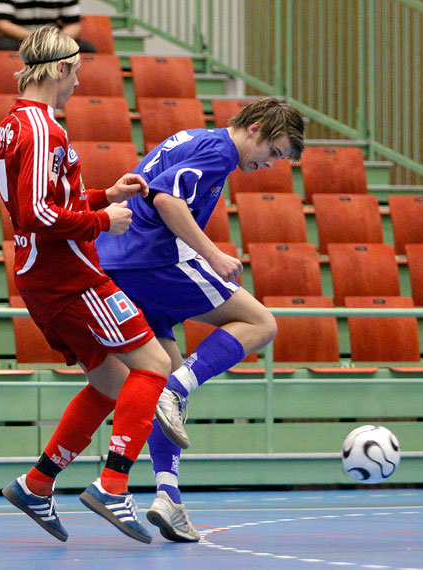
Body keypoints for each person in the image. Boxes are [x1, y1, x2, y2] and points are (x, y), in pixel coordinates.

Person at [95, 96, 305, 542]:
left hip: (119, 261)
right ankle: (177, 389)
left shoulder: (194, 138)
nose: (271, 164)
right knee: (261, 323)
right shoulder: (219, 152)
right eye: (274, 152)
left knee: (162, 377)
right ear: (256, 130)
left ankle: (167, 496)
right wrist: (213, 254)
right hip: (149, 258)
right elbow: (169, 201)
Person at [0, 25, 171, 544]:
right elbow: (36, 213)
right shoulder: (43, 129)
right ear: (60, 69)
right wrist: (104, 221)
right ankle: (113, 486)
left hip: (44, 277)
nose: (77, 84)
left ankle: (36, 484)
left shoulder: (14, 123)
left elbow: (48, 201)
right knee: (155, 364)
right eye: (76, 73)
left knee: (111, 385)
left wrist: (100, 194)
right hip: (68, 276)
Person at [0, 0, 96, 52]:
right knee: (2, 47)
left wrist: (55, 40)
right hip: (18, 41)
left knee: (84, 48)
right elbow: (1, 25)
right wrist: (38, 39)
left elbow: (74, 26)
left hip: (53, 42)